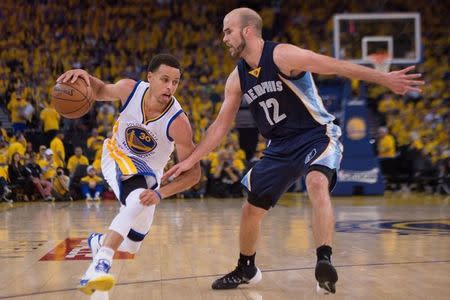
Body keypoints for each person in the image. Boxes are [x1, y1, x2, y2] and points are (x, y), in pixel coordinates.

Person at [163, 8, 424, 294]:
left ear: (247, 31)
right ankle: (246, 267)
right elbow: (219, 126)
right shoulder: (236, 78)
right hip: (279, 147)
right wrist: (190, 161)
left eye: (228, 30)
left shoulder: (282, 56)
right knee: (251, 208)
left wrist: (384, 79)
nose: (223, 37)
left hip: (315, 135)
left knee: (316, 181)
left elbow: (334, 65)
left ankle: (324, 261)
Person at [57, 54, 201, 295]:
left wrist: (161, 194)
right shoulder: (129, 89)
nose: (170, 87)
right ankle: (100, 264)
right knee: (137, 198)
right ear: (150, 77)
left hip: (150, 174)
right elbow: (101, 89)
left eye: (175, 82)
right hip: (117, 155)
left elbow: (193, 174)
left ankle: (98, 242)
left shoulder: (179, 123)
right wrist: (86, 77)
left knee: (132, 245)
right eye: (165, 79)